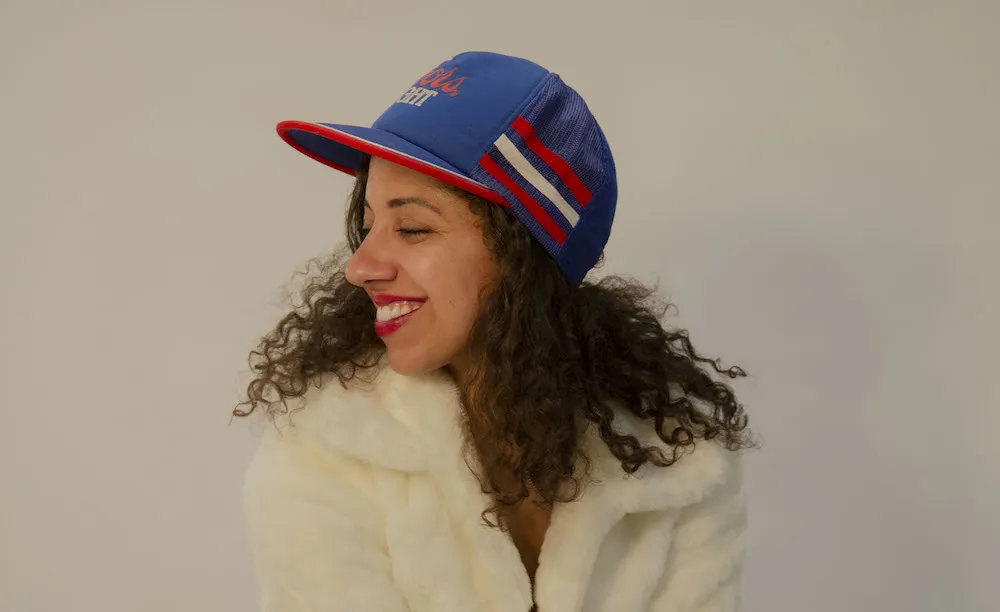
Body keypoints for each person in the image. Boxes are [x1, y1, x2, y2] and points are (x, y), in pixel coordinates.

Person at [234, 51, 753, 612]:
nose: (360, 266)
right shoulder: (323, 456)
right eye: (367, 226)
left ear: (521, 257)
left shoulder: (676, 463)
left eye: (411, 227)